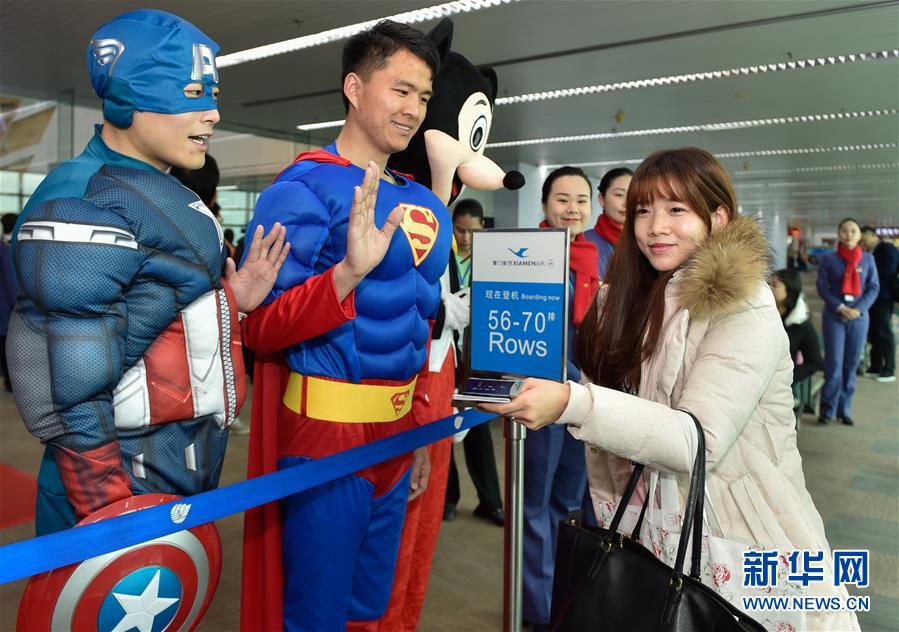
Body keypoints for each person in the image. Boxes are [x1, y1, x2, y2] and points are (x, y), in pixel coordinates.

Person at [482, 147, 859, 631]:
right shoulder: (631, 296)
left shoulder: (745, 305)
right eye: (643, 211)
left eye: (676, 209)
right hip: (655, 526)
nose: (655, 227)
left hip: (740, 534)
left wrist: (574, 403)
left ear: (717, 217)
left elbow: (695, 441)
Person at [5, 9, 289, 535]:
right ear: (128, 98)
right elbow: (69, 384)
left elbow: (146, 317)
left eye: (212, 95)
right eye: (191, 93)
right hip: (119, 489)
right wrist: (110, 515)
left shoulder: (150, 184)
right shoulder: (84, 199)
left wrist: (231, 299)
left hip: (174, 470)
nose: (212, 113)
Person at [239, 20, 451, 631]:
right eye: (400, 90)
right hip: (325, 435)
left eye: (423, 97)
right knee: (317, 612)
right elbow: (259, 330)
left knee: (368, 609)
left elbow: (417, 323)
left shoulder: (426, 203)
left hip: (398, 431)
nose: (413, 110)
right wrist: (347, 275)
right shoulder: (304, 189)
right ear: (354, 89)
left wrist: (416, 435)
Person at [520, 166, 598, 630]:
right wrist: (575, 383)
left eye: (581, 200)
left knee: (567, 504)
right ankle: (537, 608)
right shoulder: (526, 256)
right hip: (543, 397)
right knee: (534, 504)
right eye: (562, 199)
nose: (572, 209)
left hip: (585, 402)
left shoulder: (596, 256)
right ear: (545, 205)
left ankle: (562, 598)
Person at [443, 199, 505, 526]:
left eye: (472, 231)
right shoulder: (442, 256)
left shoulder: (493, 259)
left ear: (483, 228)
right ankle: (448, 499)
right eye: (460, 230)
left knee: (479, 428)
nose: (465, 237)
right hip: (447, 352)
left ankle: (490, 502)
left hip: (480, 356)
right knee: (445, 428)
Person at [816, 218, 880, 425]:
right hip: (834, 316)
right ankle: (827, 409)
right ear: (839, 234)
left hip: (858, 318)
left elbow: (873, 287)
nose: (849, 234)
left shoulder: (868, 260)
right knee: (834, 364)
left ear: (859, 235)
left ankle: (844, 409)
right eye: (844, 230)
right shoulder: (828, 259)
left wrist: (858, 310)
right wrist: (840, 307)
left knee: (851, 364)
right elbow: (821, 286)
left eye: (853, 231)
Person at [770, 268, 823, 387]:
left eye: (775, 285)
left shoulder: (801, 324)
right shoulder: (762, 315)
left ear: (789, 290)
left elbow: (814, 362)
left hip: (780, 385)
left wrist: (786, 377)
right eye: (768, 284)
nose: (769, 288)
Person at [860, 225, 898, 382]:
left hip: (884, 297)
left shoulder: (887, 247)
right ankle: (876, 366)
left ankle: (889, 369)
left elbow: (890, 269)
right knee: (874, 333)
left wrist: (867, 272)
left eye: (864, 240)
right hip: (873, 298)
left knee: (884, 332)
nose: (862, 243)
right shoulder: (872, 252)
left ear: (873, 235)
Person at [582, 167, 632, 278]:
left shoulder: (647, 241)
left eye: (632, 194)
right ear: (602, 199)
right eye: (619, 195)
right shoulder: (584, 242)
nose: (626, 202)